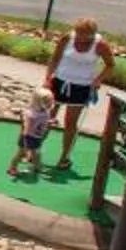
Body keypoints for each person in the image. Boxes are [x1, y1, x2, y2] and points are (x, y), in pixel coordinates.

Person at [47, 17, 110, 167]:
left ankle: (64, 157)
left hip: (81, 87)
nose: (80, 37)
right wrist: (47, 78)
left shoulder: (100, 44)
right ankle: (32, 151)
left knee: (70, 123)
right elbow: (55, 58)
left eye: (85, 34)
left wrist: (98, 80)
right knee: (47, 117)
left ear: (92, 34)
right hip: (59, 82)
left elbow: (110, 65)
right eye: (78, 33)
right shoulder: (67, 38)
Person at [10, 90, 55, 179]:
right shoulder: (31, 114)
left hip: (37, 136)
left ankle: (37, 167)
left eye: (51, 101)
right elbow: (27, 128)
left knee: (36, 152)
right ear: (39, 102)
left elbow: (42, 121)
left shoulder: (45, 111)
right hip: (28, 137)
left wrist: (49, 122)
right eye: (47, 102)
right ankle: (12, 167)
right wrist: (26, 142)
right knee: (21, 153)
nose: (50, 103)